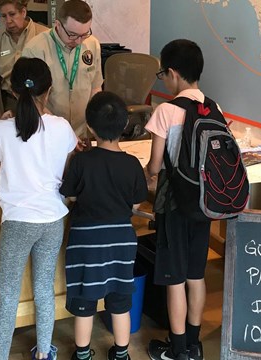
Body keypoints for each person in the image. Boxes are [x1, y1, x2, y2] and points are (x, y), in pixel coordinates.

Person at [0, 57, 78, 360]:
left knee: (8, 296)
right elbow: (67, 165)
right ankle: (43, 353)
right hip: (52, 219)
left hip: (17, 223)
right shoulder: (61, 127)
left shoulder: (0, 128)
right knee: (44, 289)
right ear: (48, 91)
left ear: (12, 90)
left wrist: (9, 122)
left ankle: (0, 356)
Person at [59, 91, 148, 360]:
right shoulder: (132, 164)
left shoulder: (81, 161)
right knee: (120, 299)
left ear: (89, 127)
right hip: (121, 241)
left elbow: (70, 195)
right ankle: (122, 353)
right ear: (124, 126)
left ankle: (83, 354)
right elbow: (135, 206)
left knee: (86, 301)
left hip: (86, 241)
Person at [144, 39, 213, 360]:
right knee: (196, 275)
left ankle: (177, 349)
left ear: (172, 73)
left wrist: (145, 175)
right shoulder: (213, 107)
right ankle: (195, 346)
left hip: (173, 205)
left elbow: (155, 166)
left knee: (174, 279)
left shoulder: (166, 110)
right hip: (204, 203)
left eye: (163, 74)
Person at [22, 0, 102, 139]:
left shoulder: (92, 44)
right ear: (58, 25)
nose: (78, 41)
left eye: (84, 34)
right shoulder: (35, 49)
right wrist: (63, 132)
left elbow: (95, 87)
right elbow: (32, 99)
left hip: (83, 133)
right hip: (49, 133)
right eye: (72, 34)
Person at [0, 0, 48, 121]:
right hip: (9, 103)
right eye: (3, 16)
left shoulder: (44, 35)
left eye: (12, 14)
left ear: (23, 12)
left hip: (38, 102)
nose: (8, 21)